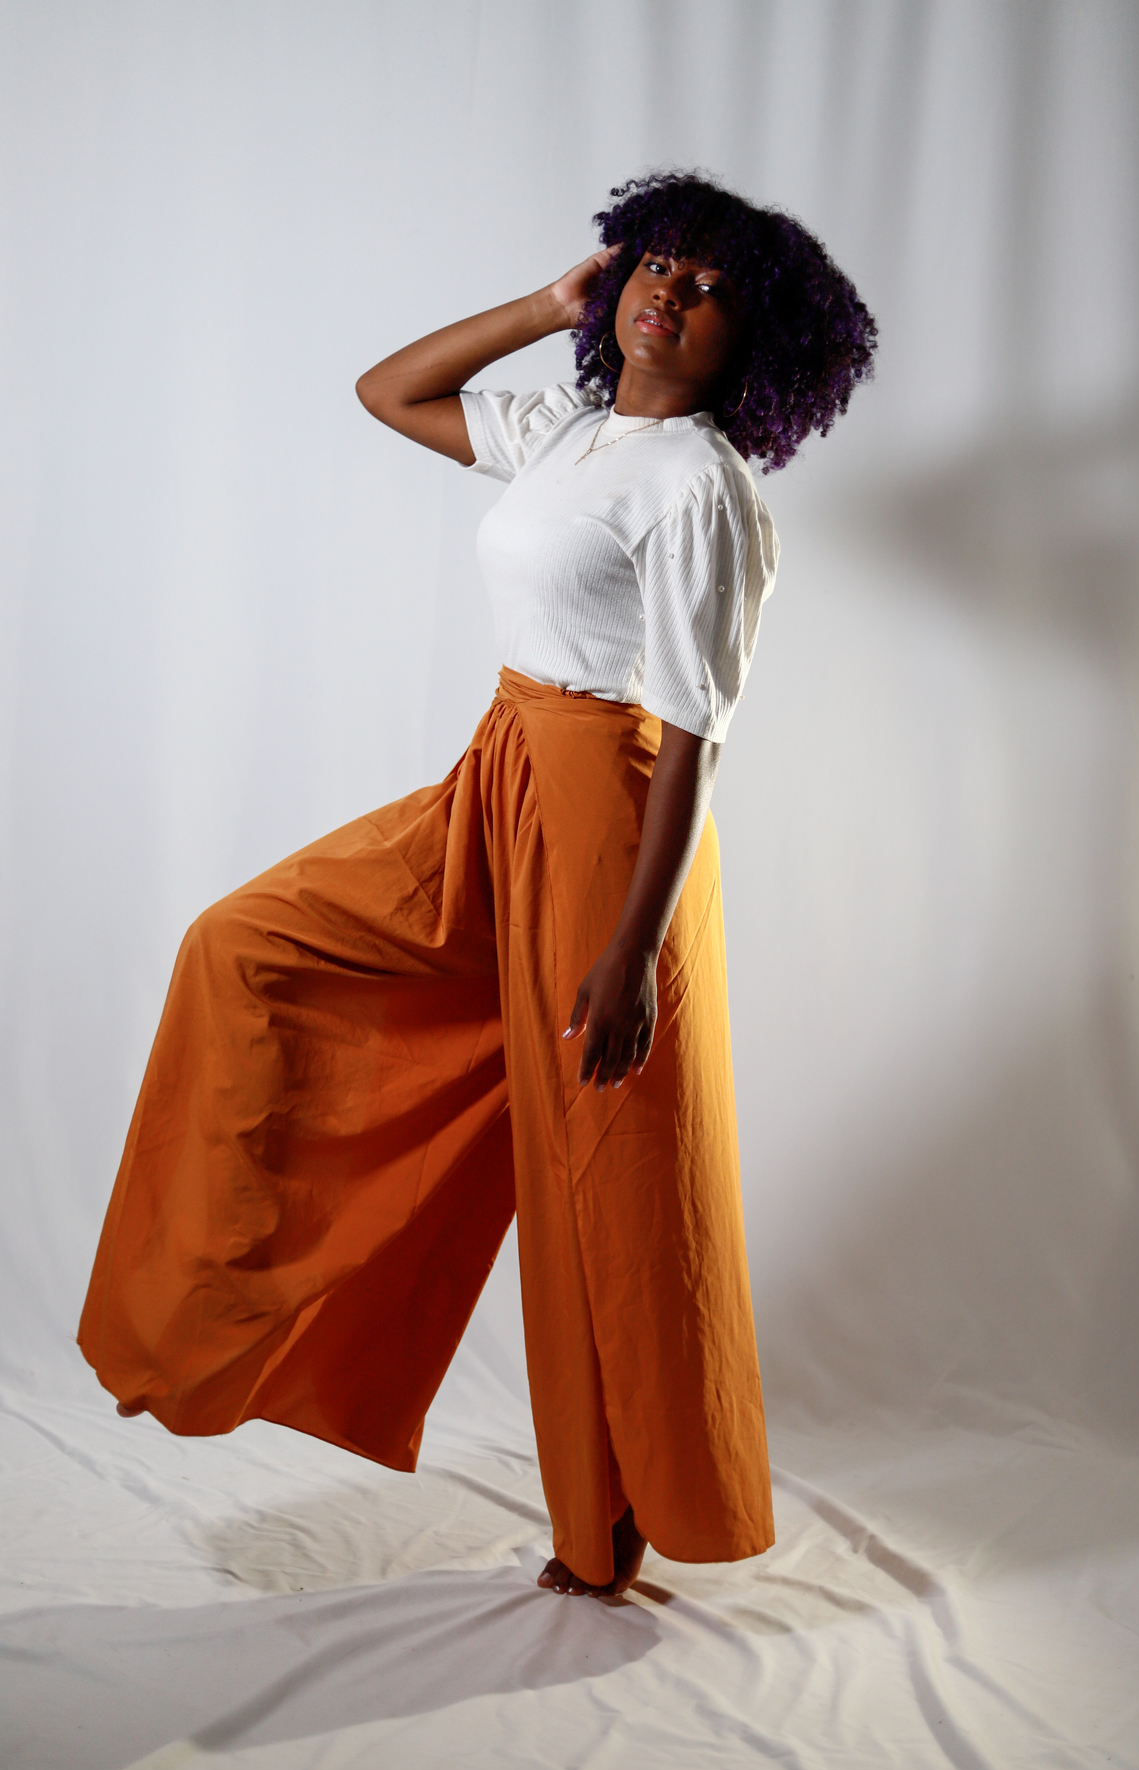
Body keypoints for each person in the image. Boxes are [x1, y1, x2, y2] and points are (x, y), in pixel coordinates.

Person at [79, 171, 877, 1598]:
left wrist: (633, 952)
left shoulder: (700, 486)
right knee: (242, 943)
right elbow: (388, 392)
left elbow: (693, 734)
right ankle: (225, 1312)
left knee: (604, 1174)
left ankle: (617, 1523)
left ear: (751, 344)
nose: (671, 294)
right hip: (500, 774)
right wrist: (541, 306)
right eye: (659, 263)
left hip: (614, 815)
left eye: (710, 290)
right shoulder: (571, 435)